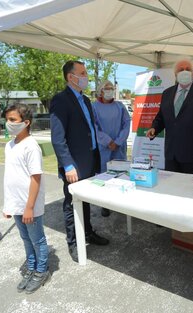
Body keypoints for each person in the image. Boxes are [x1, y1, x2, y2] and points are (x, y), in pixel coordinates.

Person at [50, 60, 109, 261]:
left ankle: (88, 233)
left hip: (90, 158)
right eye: (82, 73)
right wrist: (67, 164)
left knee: (85, 199)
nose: (86, 77)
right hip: (74, 164)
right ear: (71, 77)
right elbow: (58, 138)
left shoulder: (85, 100)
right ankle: (74, 242)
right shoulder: (60, 100)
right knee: (71, 202)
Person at [2, 103, 50, 294]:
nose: (8, 123)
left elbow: (35, 178)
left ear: (26, 122)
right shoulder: (10, 144)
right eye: (7, 119)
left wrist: (29, 207)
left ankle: (41, 269)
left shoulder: (31, 146)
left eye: (13, 120)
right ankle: (31, 266)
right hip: (16, 204)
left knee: (37, 239)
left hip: (30, 205)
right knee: (25, 238)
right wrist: (9, 205)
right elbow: (10, 177)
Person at [146, 57, 193, 174]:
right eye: (181, 69)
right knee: (172, 186)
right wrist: (154, 128)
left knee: (189, 188)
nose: (184, 71)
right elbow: (161, 117)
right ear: (175, 74)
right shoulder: (167, 93)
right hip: (171, 153)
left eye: (188, 69)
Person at [92, 80, 131, 217]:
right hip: (104, 148)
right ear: (100, 91)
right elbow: (94, 127)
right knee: (104, 175)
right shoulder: (94, 107)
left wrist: (118, 141)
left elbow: (127, 124)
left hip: (119, 147)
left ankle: (120, 202)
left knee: (120, 174)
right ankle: (104, 204)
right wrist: (108, 141)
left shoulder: (120, 106)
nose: (110, 90)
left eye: (111, 88)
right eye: (106, 88)